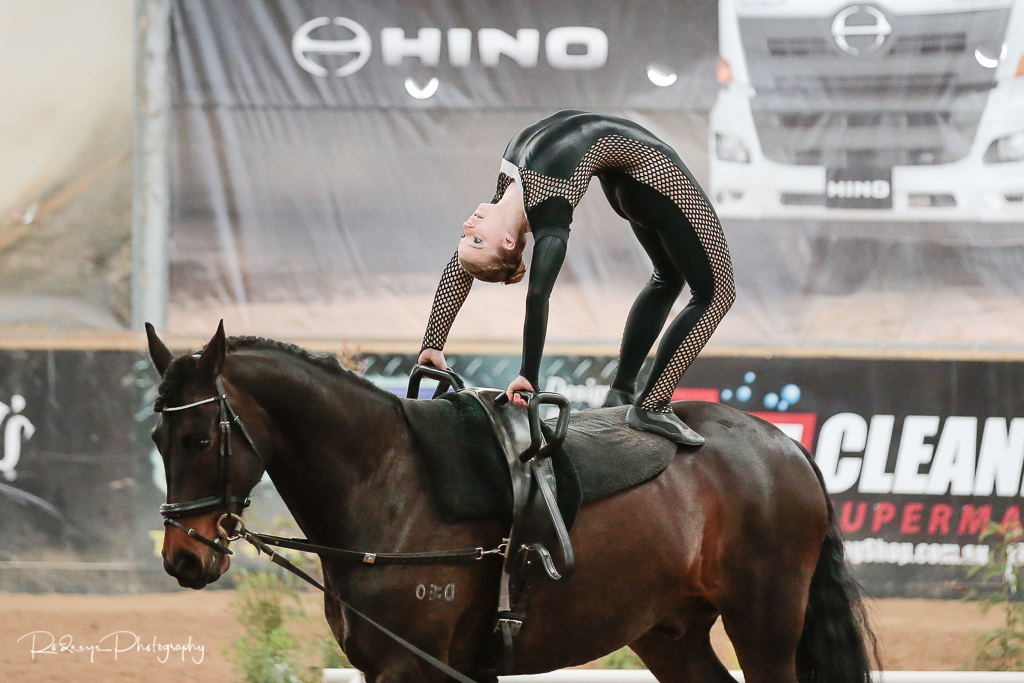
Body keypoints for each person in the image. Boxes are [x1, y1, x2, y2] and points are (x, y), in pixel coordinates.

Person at [417, 111, 735, 445]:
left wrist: (433, 344)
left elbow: (461, 265)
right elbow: (538, 296)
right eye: (477, 239)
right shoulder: (549, 214)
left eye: (466, 237)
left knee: (668, 275)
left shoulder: (506, 192)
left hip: (627, 180)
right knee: (717, 294)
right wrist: (528, 374)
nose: (468, 227)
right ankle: (652, 405)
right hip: (656, 176)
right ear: (509, 243)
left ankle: (621, 392)